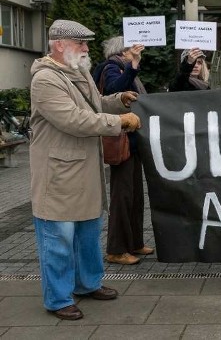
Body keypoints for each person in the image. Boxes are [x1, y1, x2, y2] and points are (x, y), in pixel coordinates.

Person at [30, 20, 141, 320]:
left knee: (87, 235)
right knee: (58, 240)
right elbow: (73, 120)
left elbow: (94, 107)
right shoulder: (45, 80)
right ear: (59, 45)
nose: (86, 48)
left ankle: (87, 283)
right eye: (81, 43)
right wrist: (120, 122)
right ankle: (58, 298)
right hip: (59, 175)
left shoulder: (77, 72)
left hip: (83, 171)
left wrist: (118, 101)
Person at [92, 36, 154, 265]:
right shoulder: (110, 68)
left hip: (131, 141)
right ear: (122, 51)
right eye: (131, 50)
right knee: (122, 196)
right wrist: (133, 67)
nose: (136, 53)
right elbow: (114, 92)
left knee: (135, 195)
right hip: (121, 139)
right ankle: (116, 249)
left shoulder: (120, 67)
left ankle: (135, 242)